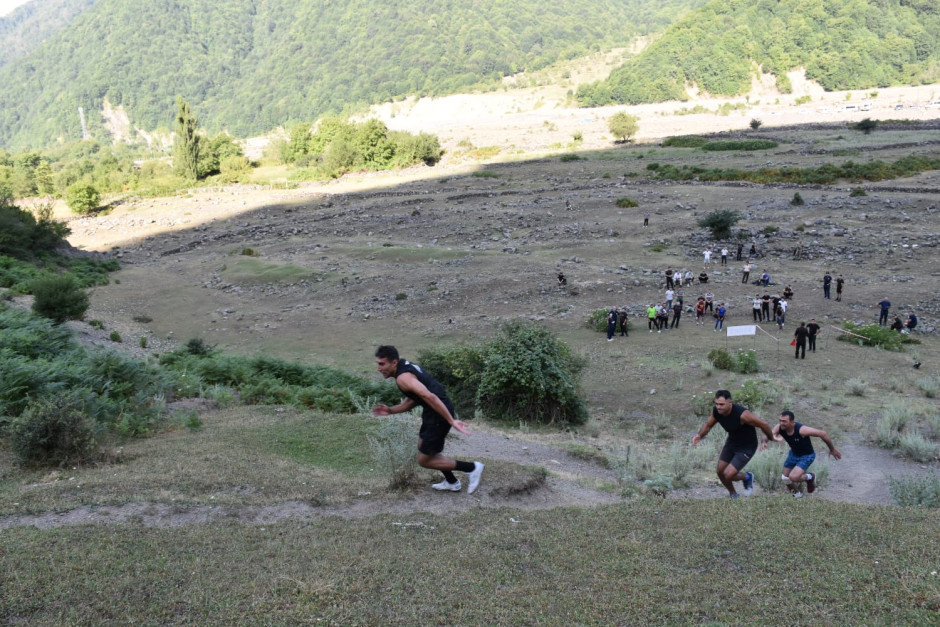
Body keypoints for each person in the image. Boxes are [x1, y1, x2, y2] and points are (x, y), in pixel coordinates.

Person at [373, 346, 483, 493]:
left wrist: (451, 420)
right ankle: (451, 481)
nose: (378, 368)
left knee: (424, 460)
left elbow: (428, 396)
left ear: (394, 363)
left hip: (438, 413)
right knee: (424, 446)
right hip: (433, 412)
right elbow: (412, 400)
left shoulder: (403, 378)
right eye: (378, 363)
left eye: (382, 364)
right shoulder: (405, 366)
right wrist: (391, 410)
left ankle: (472, 468)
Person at [692, 390, 774, 498]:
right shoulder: (717, 412)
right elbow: (708, 425)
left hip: (747, 446)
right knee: (720, 471)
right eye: (716, 404)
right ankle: (733, 494)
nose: (718, 407)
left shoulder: (743, 415)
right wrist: (699, 435)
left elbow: (764, 424)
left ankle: (747, 477)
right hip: (732, 442)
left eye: (721, 404)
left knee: (728, 474)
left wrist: (771, 438)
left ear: (730, 403)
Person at [761, 410, 841, 498]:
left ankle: (810, 477)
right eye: (780, 420)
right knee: (785, 478)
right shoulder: (779, 427)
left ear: (792, 422)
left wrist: (832, 449)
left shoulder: (802, 430)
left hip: (807, 456)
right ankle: (797, 495)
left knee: (794, 478)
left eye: (784, 421)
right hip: (794, 453)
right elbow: (768, 434)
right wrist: (765, 442)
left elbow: (823, 434)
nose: (781, 423)